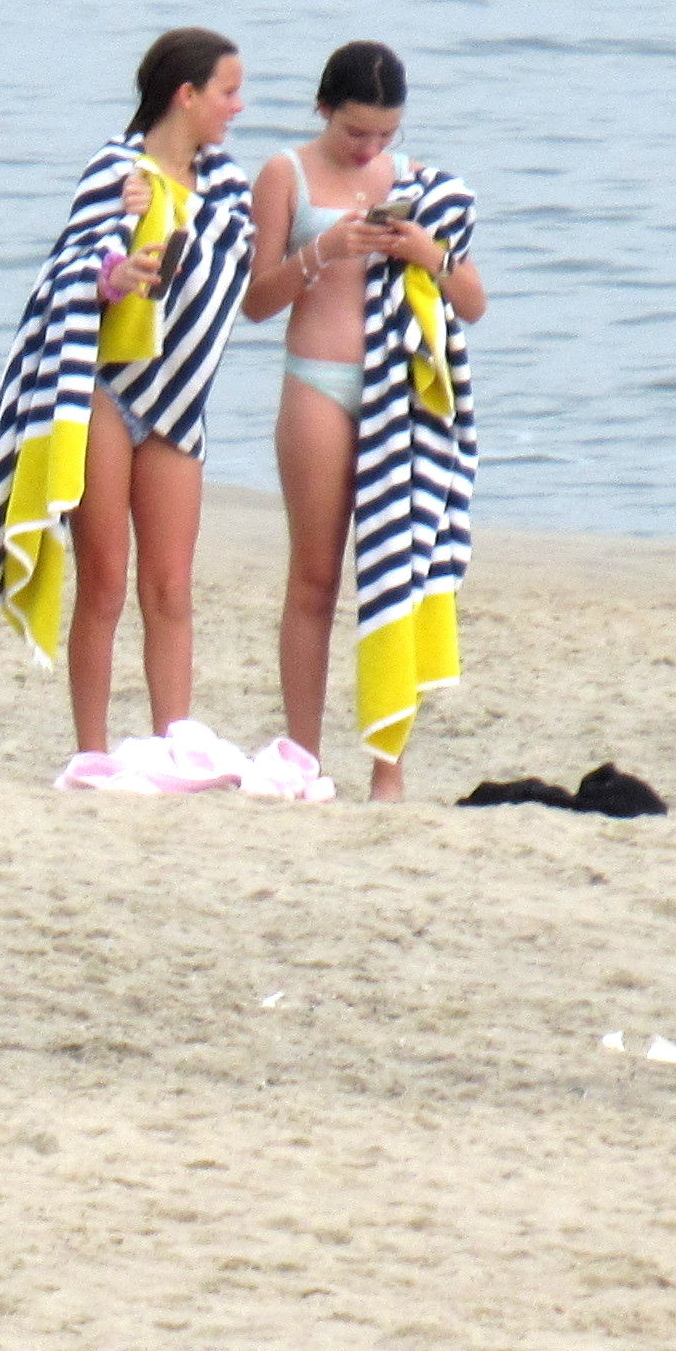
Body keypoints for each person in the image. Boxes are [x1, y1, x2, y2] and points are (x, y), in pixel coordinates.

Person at [0, 28, 254, 758]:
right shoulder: (113, 169)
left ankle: (171, 748)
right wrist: (109, 275)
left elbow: (232, 275)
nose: (238, 108)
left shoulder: (226, 189)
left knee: (171, 590)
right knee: (105, 583)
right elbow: (65, 273)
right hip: (103, 390)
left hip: (176, 401)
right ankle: (91, 752)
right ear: (187, 96)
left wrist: (172, 209)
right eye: (227, 92)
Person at [244, 41, 486, 804]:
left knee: (394, 575)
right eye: (357, 134)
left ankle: (389, 767)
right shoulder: (286, 172)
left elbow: (473, 304)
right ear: (324, 110)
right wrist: (322, 250)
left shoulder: (416, 184)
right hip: (317, 381)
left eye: (386, 134)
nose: (372, 148)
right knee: (314, 576)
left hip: (395, 393)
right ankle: (304, 757)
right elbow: (255, 301)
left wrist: (425, 252)